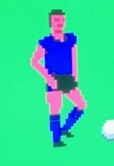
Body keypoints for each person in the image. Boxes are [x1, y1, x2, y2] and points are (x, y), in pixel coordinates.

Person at [30, 9, 87, 147]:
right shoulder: (46, 42)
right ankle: (56, 140)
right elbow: (34, 62)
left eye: (61, 20)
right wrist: (48, 78)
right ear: (50, 22)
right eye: (56, 20)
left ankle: (65, 129)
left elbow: (74, 58)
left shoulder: (71, 38)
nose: (59, 23)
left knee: (81, 105)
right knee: (55, 109)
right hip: (54, 79)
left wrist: (75, 76)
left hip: (68, 78)